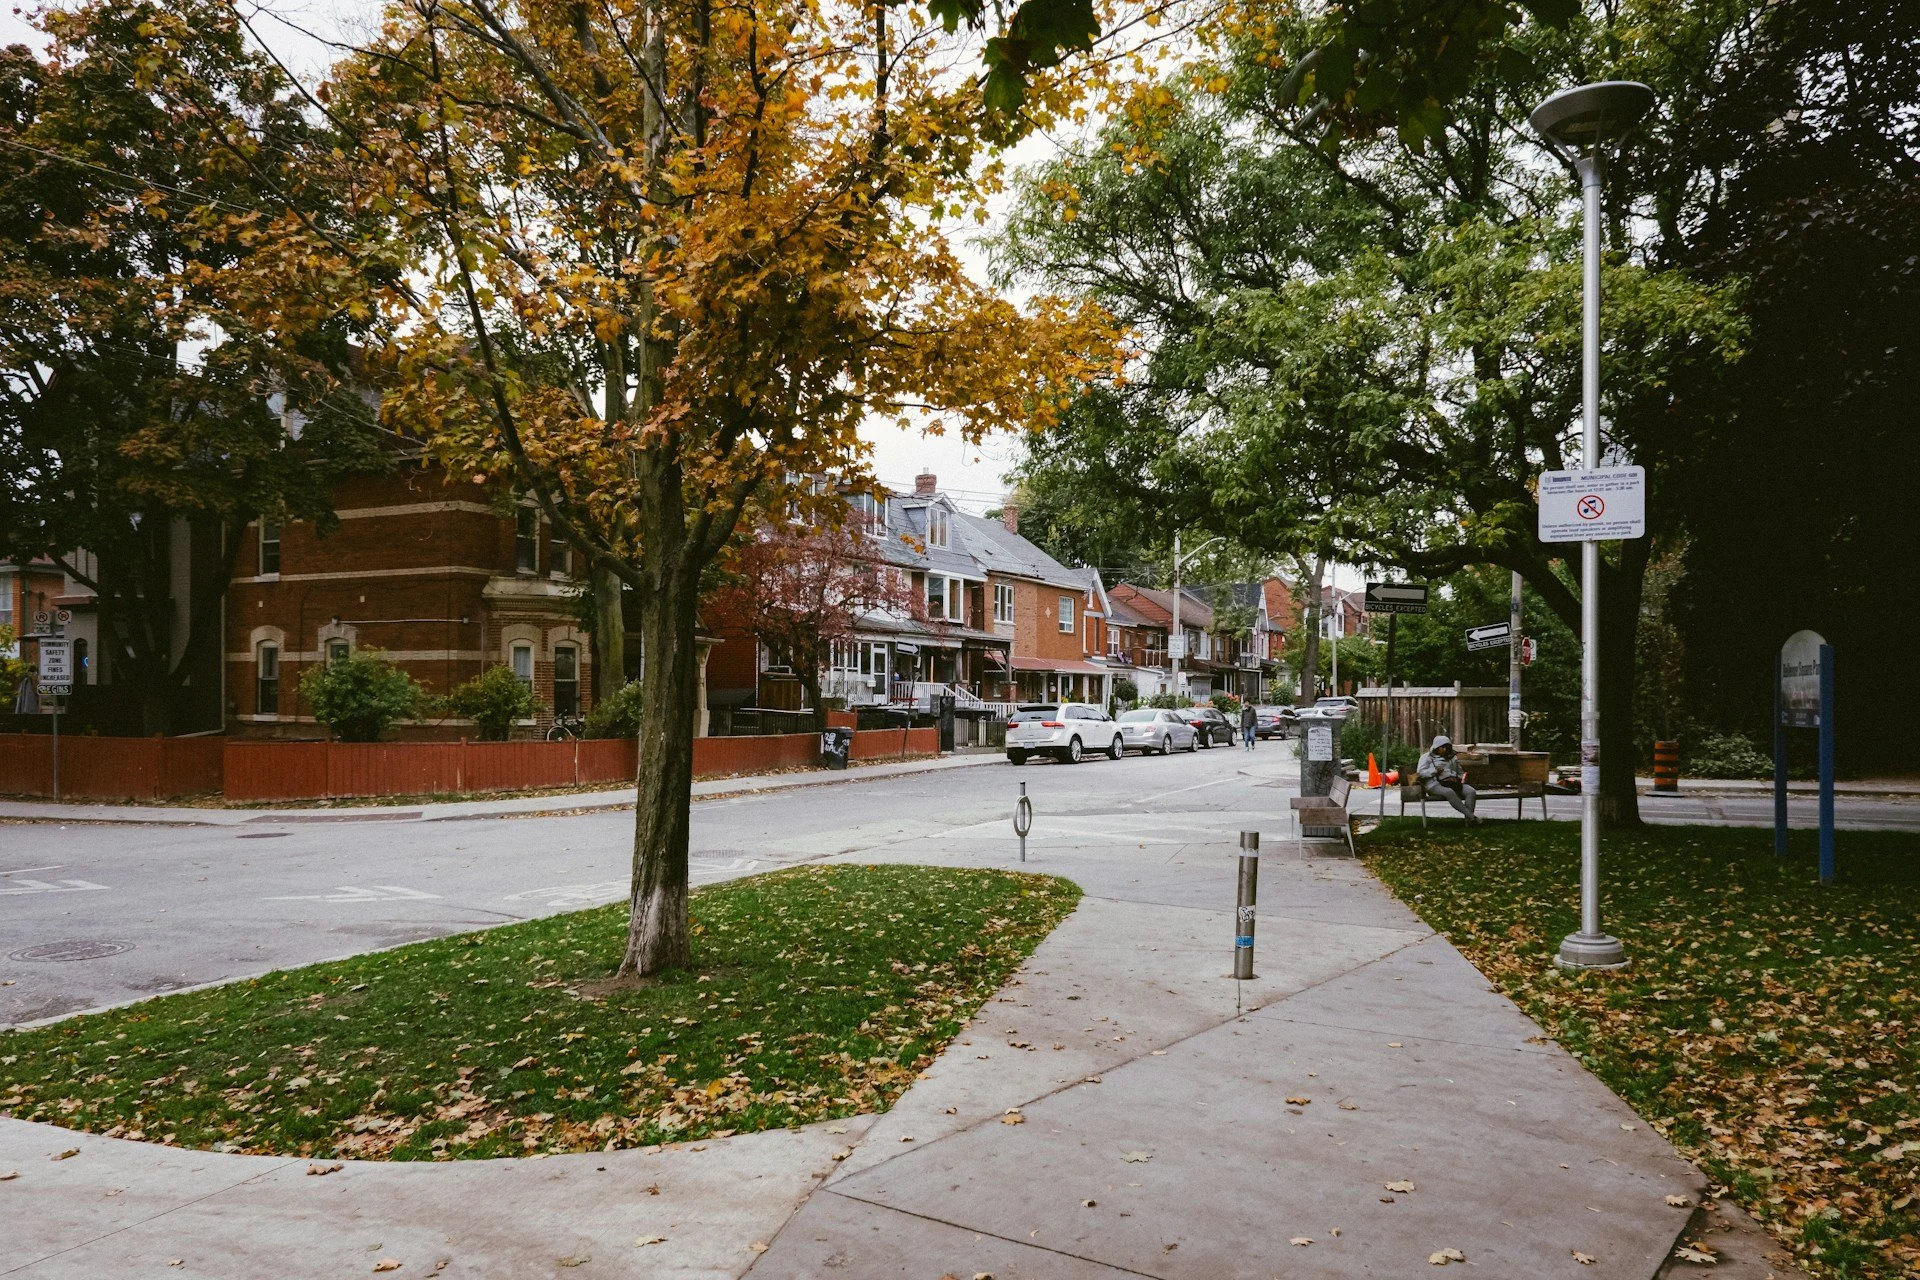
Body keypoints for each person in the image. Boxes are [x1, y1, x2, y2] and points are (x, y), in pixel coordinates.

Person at [1417, 734, 1478, 822]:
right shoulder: (1426, 757)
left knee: (1470, 791)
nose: (1445, 749)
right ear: (1437, 747)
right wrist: (1434, 771)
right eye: (1443, 747)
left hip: (1453, 783)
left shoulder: (1452, 758)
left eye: (1447, 747)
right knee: (1449, 792)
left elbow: (1460, 772)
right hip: (1434, 784)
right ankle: (1471, 816)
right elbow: (1421, 773)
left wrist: (1458, 778)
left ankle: (1468, 821)